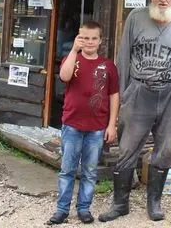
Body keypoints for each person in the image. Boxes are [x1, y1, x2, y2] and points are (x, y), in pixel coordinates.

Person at [99, 0, 171, 222]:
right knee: (127, 148)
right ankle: (120, 204)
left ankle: (154, 203)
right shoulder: (136, 17)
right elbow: (123, 57)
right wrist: (124, 93)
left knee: (165, 149)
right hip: (140, 91)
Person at [46, 21, 120, 225]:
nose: (89, 42)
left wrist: (112, 124)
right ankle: (61, 210)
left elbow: (114, 96)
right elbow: (64, 75)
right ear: (79, 39)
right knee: (67, 169)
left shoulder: (108, 66)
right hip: (72, 125)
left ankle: (84, 209)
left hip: (96, 128)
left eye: (93, 38)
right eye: (85, 38)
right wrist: (73, 50)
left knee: (89, 171)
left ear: (100, 41)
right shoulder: (72, 59)